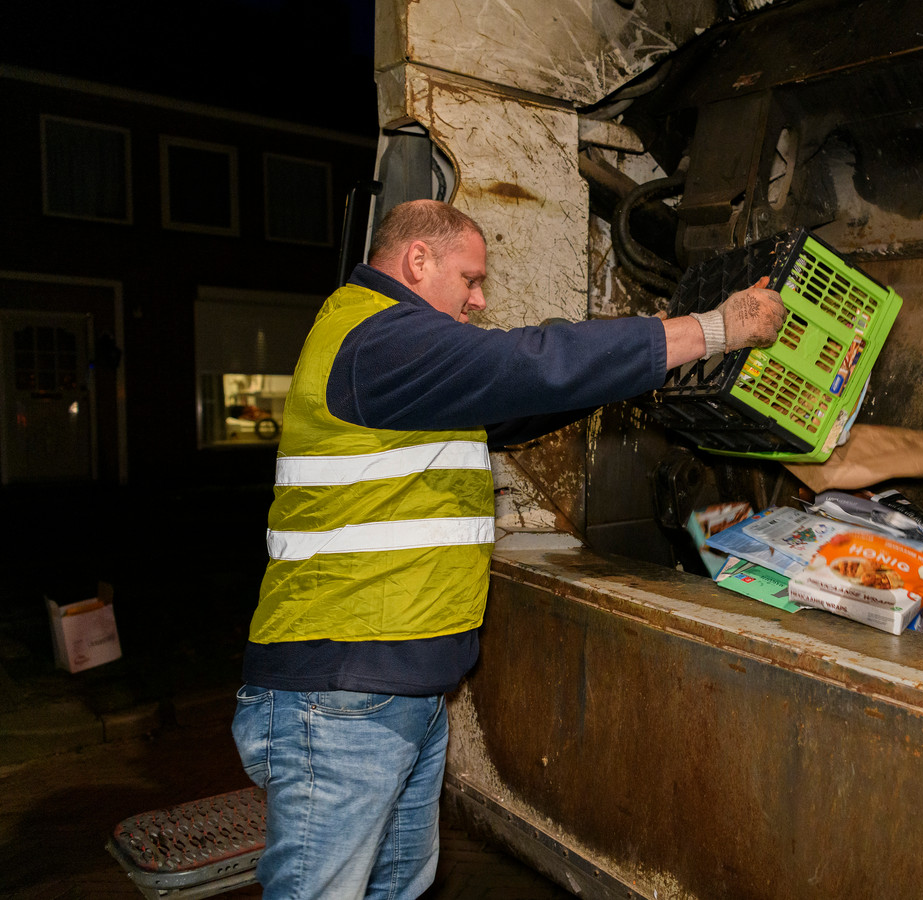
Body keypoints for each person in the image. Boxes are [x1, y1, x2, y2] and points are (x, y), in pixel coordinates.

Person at [231, 199, 786, 899]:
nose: (478, 297)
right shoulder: (377, 336)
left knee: (396, 885)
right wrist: (713, 329)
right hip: (342, 689)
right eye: (469, 279)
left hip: (393, 686)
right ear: (417, 261)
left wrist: (629, 375)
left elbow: (521, 399)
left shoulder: (399, 357)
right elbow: (527, 363)